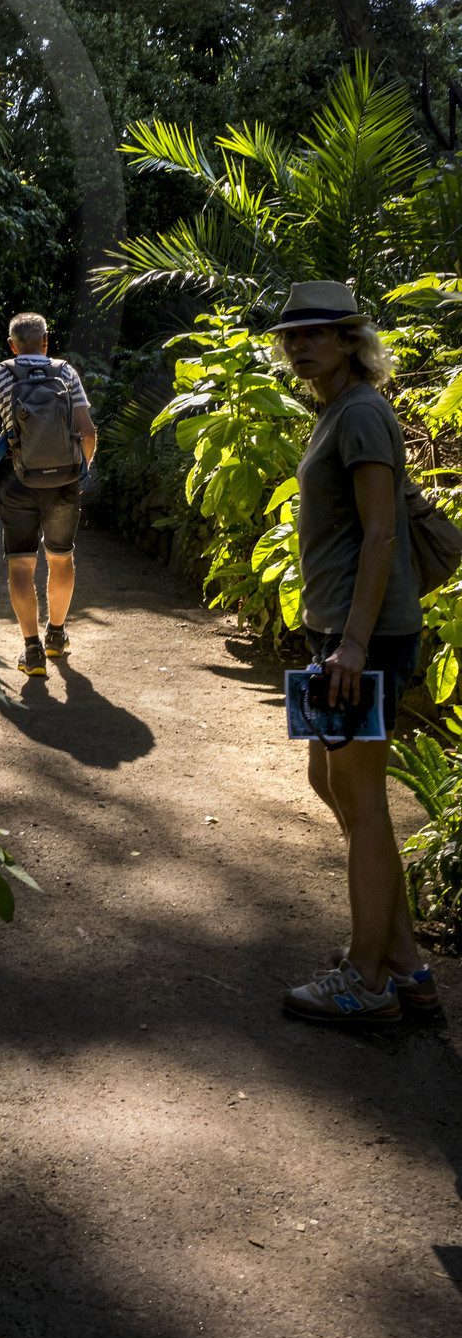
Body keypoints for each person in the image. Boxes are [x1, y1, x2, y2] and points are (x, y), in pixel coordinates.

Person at [269, 280, 441, 1026]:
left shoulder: (364, 413)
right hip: (336, 632)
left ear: (349, 342)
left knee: (362, 801)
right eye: (292, 336)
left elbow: (380, 536)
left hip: (360, 637)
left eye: (317, 334)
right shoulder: (335, 410)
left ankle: (369, 982)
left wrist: (353, 645)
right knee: (331, 782)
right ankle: (406, 965)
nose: (300, 345)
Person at [0, 312, 96, 679]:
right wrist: (80, 470)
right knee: (60, 558)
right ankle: (56, 635)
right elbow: (87, 433)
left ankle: (32, 651)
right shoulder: (67, 373)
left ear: (11, 345)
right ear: (45, 341)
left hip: (16, 482)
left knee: (21, 565)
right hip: (63, 483)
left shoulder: (1, 375)